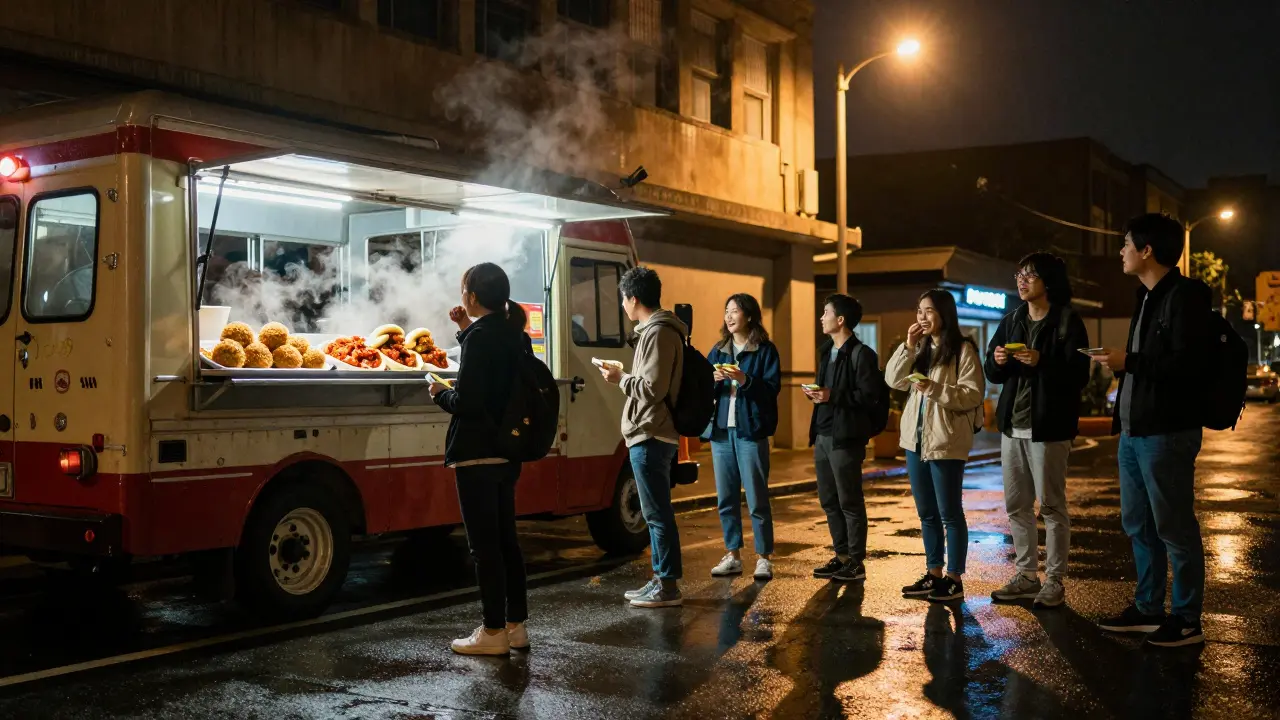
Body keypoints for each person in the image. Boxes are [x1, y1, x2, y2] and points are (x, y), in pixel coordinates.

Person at [1091, 213, 1212, 647]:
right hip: (1134, 431)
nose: (1121, 251)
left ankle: (1186, 618)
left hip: (1167, 432)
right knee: (1138, 524)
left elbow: (1189, 366)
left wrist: (1131, 362)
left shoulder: (1186, 296)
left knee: (1173, 526)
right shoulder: (1144, 297)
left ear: (1147, 250)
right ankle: (1147, 608)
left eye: (1126, 244)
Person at [429, 262, 531, 656]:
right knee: (507, 542)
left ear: (472, 296)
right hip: (507, 453)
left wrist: (439, 393)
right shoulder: (512, 333)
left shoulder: (480, 338)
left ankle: (491, 632)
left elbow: (468, 402)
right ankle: (515, 625)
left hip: (476, 454)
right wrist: (464, 330)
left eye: (462, 290)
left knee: (484, 547)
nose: (461, 297)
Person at [984, 252, 1090, 608]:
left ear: (1049, 281)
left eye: (1030, 275)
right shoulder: (1012, 320)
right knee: (1016, 505)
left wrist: (1043, 362)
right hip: (1013, 427)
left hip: (1050, 428)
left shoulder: (1067, 322)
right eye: (1019, 273)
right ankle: (1027, 575)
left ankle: (1055, 581)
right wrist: (997, 361)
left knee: (1052, 507)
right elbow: (993, 370)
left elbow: (1080, 376)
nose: (1021, 280)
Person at [886, 289, 985, 602]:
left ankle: (954, 579)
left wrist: (935, 388)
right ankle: (934, 574)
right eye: (919, 311)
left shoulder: (963, 349)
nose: (922, 317)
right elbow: (893, 380)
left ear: (944, 314)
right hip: (915, 441)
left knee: (950, 513)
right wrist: (907, 346)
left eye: (929, 311)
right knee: (926, 513)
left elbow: (972, 394)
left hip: (945, 441)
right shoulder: (921, 348)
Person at [599, 266, 688, 608]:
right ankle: (660, 580)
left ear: (633, 298)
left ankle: (667, 587)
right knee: (655, 512)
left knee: (656, 513)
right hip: (652, 431)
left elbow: (652, 388)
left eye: (623, 299)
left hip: (652, 432)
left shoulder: (658, 333)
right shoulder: (658, 331)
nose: (623, 306)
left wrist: (620, 378)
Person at [803, 294, 883, 584]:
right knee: (828, 499)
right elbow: (826, 391)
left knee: (849, 499)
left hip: (846, 437)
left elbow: (869, 397)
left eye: (825, 312)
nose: (821, 317)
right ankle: (842, 556)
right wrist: (817, 393)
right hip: (823, 433)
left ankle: (857, 561)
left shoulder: (862, 354)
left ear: (841, 320)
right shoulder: (826, 351)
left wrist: (831, 395)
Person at [702, 293, 781, 581]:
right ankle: (733, 553)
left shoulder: (764, 350)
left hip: (751, 430)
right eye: (726, 311)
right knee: (726, 497)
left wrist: (744, 379)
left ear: (749, 315)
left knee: (757, 496)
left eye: (735, 311)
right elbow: (701, 387)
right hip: (722, 431)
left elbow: (771, 389)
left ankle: (763, 557)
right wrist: (711, 380)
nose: (729, 316)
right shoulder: (719, 350)